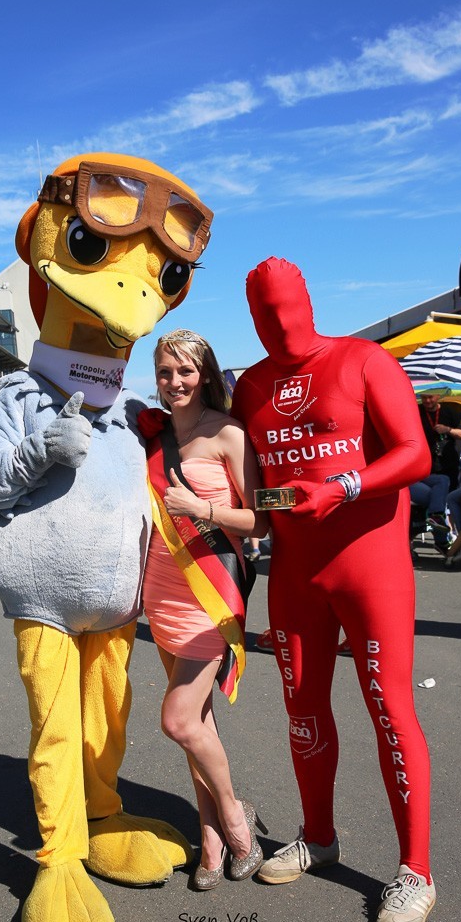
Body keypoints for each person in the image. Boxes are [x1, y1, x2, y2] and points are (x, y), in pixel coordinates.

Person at [231, 258, 435, 922]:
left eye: (286, 306)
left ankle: (416, 871)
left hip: (370, 568)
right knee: (303, 711)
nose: (277, 321)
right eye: (263, 313)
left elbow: (415, 454)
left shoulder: (363, 360)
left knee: (390, 709)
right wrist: (161, 436)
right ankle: (318, 837)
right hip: (296, 575)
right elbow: (241, 469)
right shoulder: (251, 386)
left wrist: (342, 487)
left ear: (308, 301)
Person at [139, 329, 268, 890]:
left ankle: (236, 819)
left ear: (206, 373)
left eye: (185, 371)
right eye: (165, 372)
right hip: (161, 595)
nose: (175, 382)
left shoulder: (228, 433)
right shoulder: (152, 435)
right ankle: (210, 837)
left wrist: (201, 508)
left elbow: (261, 520)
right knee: (198, 724)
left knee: (177, 720)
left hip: (209, 597)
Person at [418, 391, 461, 490]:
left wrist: (447, 429)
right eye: (424, 398)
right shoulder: (417, 411)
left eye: (430, 397)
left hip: (449, 463)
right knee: (430, 494)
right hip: (427, 465)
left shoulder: (448, 411)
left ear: (438, 396)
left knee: (451, 492)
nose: (427, 401)